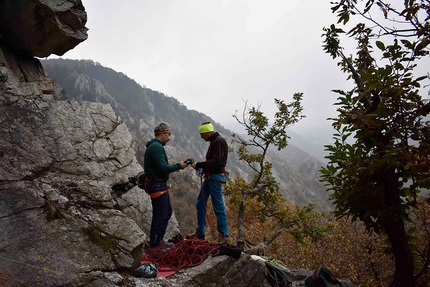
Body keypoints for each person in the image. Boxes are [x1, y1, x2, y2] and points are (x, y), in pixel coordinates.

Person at [144, 122, 188, 251]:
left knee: (166, 212)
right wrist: (179, 166)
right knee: (161, 214)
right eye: (168, 135)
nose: (169, 138)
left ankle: (158, 240)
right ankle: (155, 244)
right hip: (157, 184)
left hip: (158, 184)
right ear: (162, 133)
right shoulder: (156, 147)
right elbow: (163, 167)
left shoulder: (155, 146)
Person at [188, 122, 229, 244]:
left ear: (207, 132)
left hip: (215, 177)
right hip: (211, 177)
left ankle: (223, 235)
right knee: (200, 203)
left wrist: (199, 165)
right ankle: (200, 232)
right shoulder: (215, 141)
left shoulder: (218, 142)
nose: (201, 137)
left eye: (202, 134)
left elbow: (216, 162)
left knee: (218, 206)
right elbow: (214, 162)